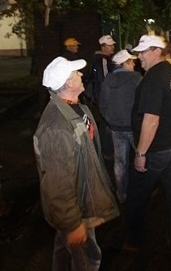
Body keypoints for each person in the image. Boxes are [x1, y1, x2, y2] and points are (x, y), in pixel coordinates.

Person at [33, 57, 119, 270]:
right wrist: (72, 224)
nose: (81, 75)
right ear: (68, 83)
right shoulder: (57, 128)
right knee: (89, 259)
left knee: (63, 252)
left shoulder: (77, 109)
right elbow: (57, 184)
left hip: (81, 199)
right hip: (75, 209)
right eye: (76, 73)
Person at [125, 35, 171, 258]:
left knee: (135, 195)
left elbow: (151, 120)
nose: (139, 56)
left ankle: (133, 240)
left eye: (143, 52)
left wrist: (140, 153)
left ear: (156, 51)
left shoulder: (153, 78)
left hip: (158, 149)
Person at [99, 49, 142, 204]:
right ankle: (141, 190)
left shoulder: (107, 79)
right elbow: (143, 103)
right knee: (141, 158)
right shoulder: (137, 79)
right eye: (131, 62)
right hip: (133, 128)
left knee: (120, 161)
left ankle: (122, 193)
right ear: (124, 63)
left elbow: (102, 104)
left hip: (115, 127)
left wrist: (111, 121)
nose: (134, 64)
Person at [87, 34, 116, 160]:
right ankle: (107, 152)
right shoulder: (103, 60)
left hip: (99, 98)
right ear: (103, 47)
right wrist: (107, 99)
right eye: (110, 46)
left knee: (104, 124)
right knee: (106, 125)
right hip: (104, 98)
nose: (113, 47)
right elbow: (104, 81)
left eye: (113, 45)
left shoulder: (95, 59)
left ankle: (105, 151)